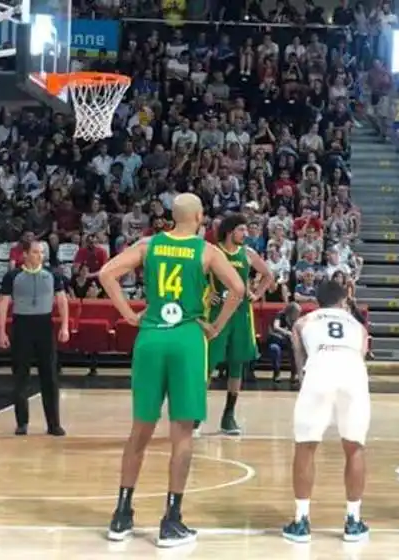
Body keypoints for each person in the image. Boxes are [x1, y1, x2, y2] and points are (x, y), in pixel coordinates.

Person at [97, 193, 245, 548]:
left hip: (150, 337)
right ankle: (171, 520)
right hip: (187, 339)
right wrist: (216, 326)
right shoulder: (207, 251)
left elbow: (106, 274)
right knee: (182, 435)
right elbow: (238, 290)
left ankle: (121, 515)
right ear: (197, 217)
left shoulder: (149, 244)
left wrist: (128, 314)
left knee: (140, 431)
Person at [281, 280, 370, 543]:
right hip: (353, 373)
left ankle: (301, 520)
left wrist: (303, 380)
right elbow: (362, 356)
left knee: (305, 446)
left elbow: (299, 359)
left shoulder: (303, 322)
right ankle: (353, 521)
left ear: (316, 302)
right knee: (354, 447)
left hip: (319, 369)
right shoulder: (359, 327)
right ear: (344, 301)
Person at [204, 213, 275, 435]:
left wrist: (256, 294)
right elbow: (196, 278)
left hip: (241, 314)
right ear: (229, 231)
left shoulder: (248, 253)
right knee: (207, 366)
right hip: (217, 314)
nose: (246, 234)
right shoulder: (213, 253)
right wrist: (207, 294)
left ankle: (228, 416)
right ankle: (196, 417)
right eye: (241, 230)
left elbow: (268, 275)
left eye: (246, 230)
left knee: (237, 366)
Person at [0, 240, 69, 436]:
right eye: (36, 252)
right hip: (22, 326)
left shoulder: (53, 275)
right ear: (25, 254)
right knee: (21, 376)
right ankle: (22, 422)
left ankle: (54, 424)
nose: (40, 256)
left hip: (45, 325)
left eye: (42, 253)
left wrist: (65, 326)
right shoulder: (12, 276)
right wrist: (1, 331)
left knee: (50, 377)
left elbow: (62, 301)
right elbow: (3, 303)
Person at [266, 302, 302, 384]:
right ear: (290, 312)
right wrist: (286, 332)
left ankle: (294, 374)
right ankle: (277, 373)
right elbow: (276, 326)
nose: (298, 315)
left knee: (295, 349)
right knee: (274, 348)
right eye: (297, 313)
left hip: (289, 342)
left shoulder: (297, 321)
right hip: (277, 340)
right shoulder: (280, 315)